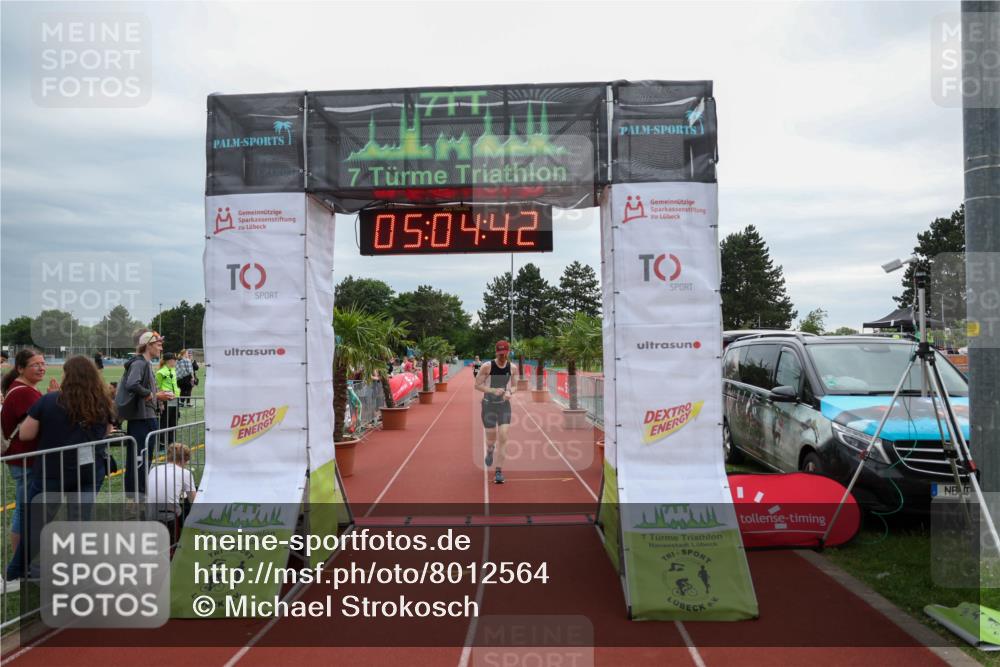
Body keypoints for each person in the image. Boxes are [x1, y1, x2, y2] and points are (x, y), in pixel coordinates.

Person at [7, 356, 115, 581]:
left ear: (67, 375)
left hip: (51, 470)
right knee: (79, 523)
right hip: (87, 470)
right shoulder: (102, 401)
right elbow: (106, 432)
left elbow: (26, 433)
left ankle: (16, 572)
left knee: (37, 524)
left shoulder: (49, 400)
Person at [0, 348, 55, 589]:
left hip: (25, 459)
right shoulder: (23, 393)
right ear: (21, 368)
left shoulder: (23, 390)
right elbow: (42, 422)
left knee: (26, 510)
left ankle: (22, 564)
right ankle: (19, 567)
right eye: (36, 364)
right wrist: (54, 399)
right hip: (25, 459)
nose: (42, 367)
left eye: (43, 363)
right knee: (24, 511)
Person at [116, 331, 169, 498]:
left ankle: (137, 495)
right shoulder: (140, 363)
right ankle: (137, 496)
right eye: (159, 344)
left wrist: (155, 395)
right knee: (140, 460)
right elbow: (133, 383)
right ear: (148, 345)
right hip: (143, 419)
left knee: (141, 459)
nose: (161, 348)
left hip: (145, 417)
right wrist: (151, 395)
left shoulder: (144, 363)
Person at [475, 340, 517, 484]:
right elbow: (477, 385)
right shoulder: (487, 366)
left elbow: (516, 386)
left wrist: (510, 391)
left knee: (504, 436)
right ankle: (490, 448)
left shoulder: (513, 368)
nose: (502, 357)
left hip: (504, 405)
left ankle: (498, 471)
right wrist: (493, 390)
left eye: (504, 354)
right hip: (488, 406)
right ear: (496, 352)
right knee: (491, 438)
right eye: (499, 354)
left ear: (508, 352)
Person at [147, 442, 197, 542]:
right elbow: (194, 501)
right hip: (168, 517)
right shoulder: (185, 473)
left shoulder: (154, 469)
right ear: (183, 460)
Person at [155, 352, 180, 446]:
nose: (176, 362)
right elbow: (158, 386)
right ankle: (162, 442)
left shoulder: (173, 370)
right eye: (174, 360)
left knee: (174, 420)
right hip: (166, 399)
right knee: (165, 421)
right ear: (169, 361)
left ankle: (171, 441)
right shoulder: (161, 372)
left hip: (174, 399)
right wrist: (160, 402)